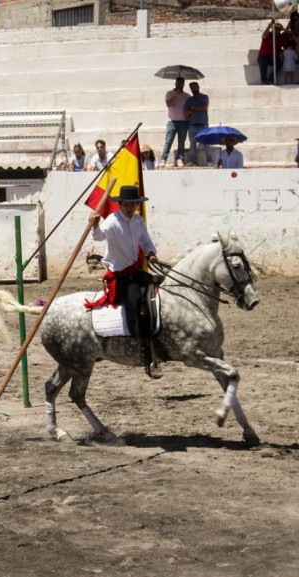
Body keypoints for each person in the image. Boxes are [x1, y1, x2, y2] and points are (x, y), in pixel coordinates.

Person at [87, 185, 162, 379]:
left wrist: (151, 253)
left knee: (161, 287)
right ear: (120, 204)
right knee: (136, 302)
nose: (130, 207)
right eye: (126, 204)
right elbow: (99, 236)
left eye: (133, 204)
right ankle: (146, 356)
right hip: (120, 277)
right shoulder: (112, 221)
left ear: (137, 204)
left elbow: (146, 242)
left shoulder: (138, 220)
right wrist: (94, 225)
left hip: (135, 270)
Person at [159, 76, 190, 168]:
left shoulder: (187, 96)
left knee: (181, 142)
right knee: (168, 141)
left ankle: (180, 159)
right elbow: (168, 104)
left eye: (182, 83)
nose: (180, 84)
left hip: (184, 121)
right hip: (172, 121)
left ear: (184, 84)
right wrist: (176, 94)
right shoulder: (170, 93)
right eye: (178, 82)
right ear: (175, 83)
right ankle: (163, 159)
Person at [185, 81, 213, 167]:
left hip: (203, 124)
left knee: (206, 143)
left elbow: (204, 107)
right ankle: (193, 161)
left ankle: (209, 161)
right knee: (192, 144)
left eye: (194, 87)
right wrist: (197, 108)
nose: (193, 89)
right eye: (191, 87)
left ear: (198, 87)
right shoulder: (189, 100)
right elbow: (186, 112)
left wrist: (193, 108)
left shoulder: (204, 97)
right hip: (192, 125)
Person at [258, 20, 283, 85]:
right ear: (273, 29)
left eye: (279, 30)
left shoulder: (280, 38)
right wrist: (270, 25)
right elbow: (264, 34)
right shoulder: (267, 35)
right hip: (263, 56)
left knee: (279, 63)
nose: (277, 31)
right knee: (262, 63)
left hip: (274, 57)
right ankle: (264, 80)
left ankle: (271, 79)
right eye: (276, 29)